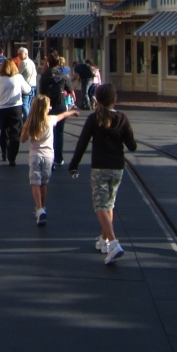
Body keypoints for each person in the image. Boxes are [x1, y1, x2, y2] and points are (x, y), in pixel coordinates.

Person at [68, 83, 137, 265]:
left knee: (100, 205)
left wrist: (74, 164)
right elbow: (132, 146)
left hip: (100, 167)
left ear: (97, 99)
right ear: (114, 99)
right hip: (117, 168)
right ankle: (104, 239)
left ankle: (113, 243)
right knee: (109, 204)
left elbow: (82, 143)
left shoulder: (93, 119)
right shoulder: (122, 118)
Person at [21, 93, 79, 225]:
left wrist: (26, 131)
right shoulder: (50, 120)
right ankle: (43, 207)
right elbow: (62, 115)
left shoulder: (30, 122)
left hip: (35, 155)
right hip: (48, 156)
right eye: (49, 106)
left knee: (35, 182)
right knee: (44, 183)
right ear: (46, 109)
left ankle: (39, 208)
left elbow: (23, 139)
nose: (50, 108)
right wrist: (72, 112)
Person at [0, 58, 33, 166]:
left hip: (2, 108)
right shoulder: (18, 77)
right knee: (15, 133)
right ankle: (12, 156)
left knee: (4, 131)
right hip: (15, 107)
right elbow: (27, 90)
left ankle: (4, 152)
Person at [38, 54, 76, 166]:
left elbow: (42, 93)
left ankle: (49, 156)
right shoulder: (63, 75)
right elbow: (70, 89)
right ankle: (59, 158)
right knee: (59, 132)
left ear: (48, 63)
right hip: (60, 105)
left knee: (48, 132)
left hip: (48, 106)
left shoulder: (44, 76)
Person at [18, 47, 37, 119]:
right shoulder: (32, 62)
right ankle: (30, 120)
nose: (19, 56)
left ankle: (27, 121)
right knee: (29, 105)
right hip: (33, 86)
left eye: (20, 54)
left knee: (24, 105)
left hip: (27, 86)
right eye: (18, 54)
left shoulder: (24, 62)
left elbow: (18, 74)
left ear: (26, 54)